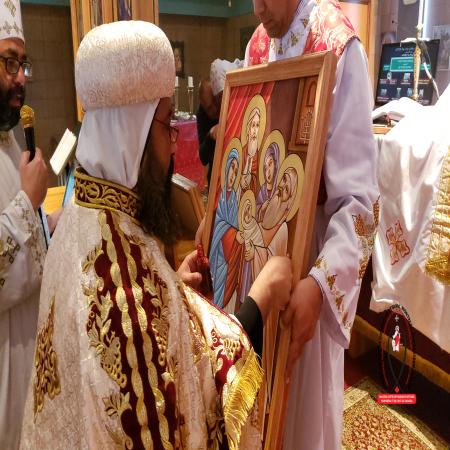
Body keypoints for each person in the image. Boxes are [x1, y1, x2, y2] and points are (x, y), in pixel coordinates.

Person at [19, 21, 293, 449]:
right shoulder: (120, 286)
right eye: (166, 124)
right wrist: (260, 298)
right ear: (133, 131)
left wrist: (170, 292)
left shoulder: (80, 215)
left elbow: (149, 332)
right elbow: (179, 414)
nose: (173, 144)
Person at [245, 1, 379, 449]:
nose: (256, 8)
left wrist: (321, 286)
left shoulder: (339, 46)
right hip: (259, 261)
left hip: (311, 262)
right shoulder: (257, 45)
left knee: (303, 422)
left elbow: (359, 202)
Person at [0, 1, 48, 448]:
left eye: (23, 63)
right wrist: (27, 203)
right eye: (9, 62)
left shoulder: (11, 141)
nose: (21, 78)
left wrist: (46, 220)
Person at [197, 59, 242, 187]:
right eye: (208, 108)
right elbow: (203, 157)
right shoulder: (202, 113)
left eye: (215, 102)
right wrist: (211, 135)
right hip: (216, 176)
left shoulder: (227, 103)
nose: (214, 110)